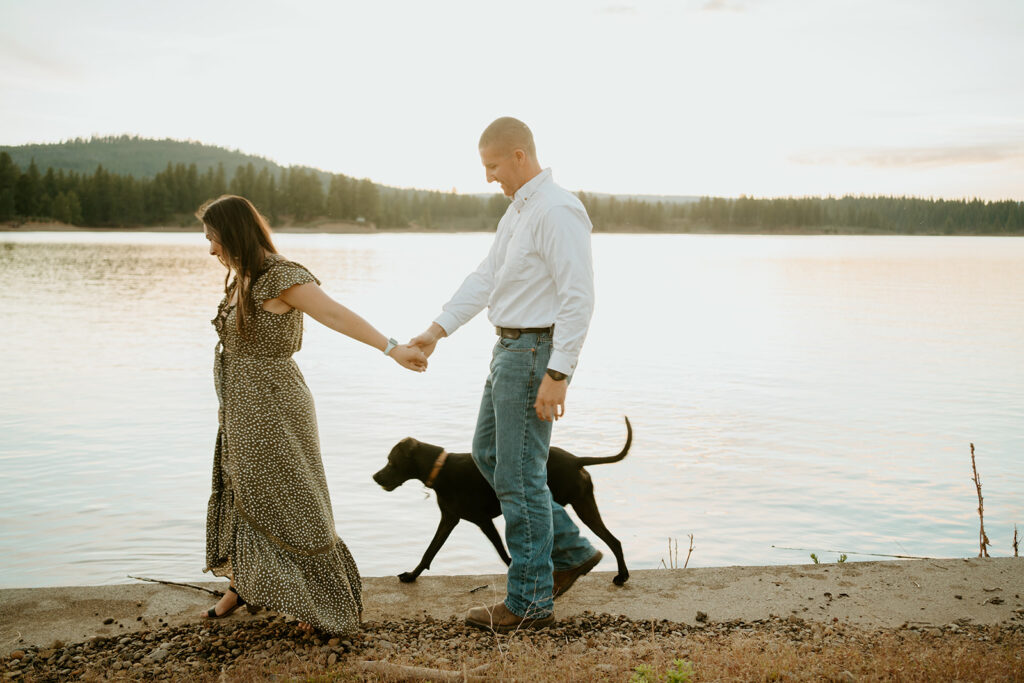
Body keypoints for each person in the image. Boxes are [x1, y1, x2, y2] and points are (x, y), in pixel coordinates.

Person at [198, 194, 427, 634]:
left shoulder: (280, 277)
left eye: (213, 238)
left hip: (274, 405)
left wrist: (392, 348)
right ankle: (243, 583)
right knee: (246, 489)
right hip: (241, 406)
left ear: (232, 233)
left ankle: (328, 603)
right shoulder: (242, 276)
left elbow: (334, 314)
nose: (210, 249)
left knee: (294, 498)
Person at [409, 117, 601, 633]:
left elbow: (578, 298)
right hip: (508, 349)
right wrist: (436, 330)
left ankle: (530, 602)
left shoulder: (558, 210)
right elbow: (487, 277)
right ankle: (569, 549)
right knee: (492, 456)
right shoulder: (520, 211)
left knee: (519, 478)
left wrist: (559, 372)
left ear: (519, 155)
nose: (489, 176)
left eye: (492, 166)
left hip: (536, 352)